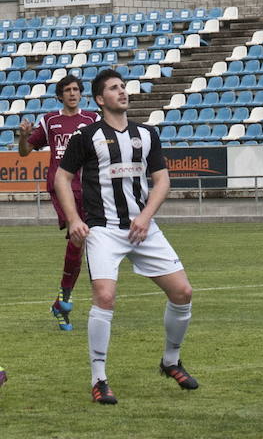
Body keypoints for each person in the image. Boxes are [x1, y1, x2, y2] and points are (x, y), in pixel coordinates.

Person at [55, 69, 198, 405]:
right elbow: (63, 179)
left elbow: (161, 180)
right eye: (114, 89)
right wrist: (74, 219)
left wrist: (146, 218)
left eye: (123, 87)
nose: (122, 92)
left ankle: (171, 361)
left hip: (142, 228)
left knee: (183, 292)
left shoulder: (147, 134)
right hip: (103, 229)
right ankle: (99, 379)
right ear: (100, 99)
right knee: (104, 296)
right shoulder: (85, 137)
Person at [18, 75, 100, 331]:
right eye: (68, 90)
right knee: (80, 236)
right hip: (62, 186)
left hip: (89, 187)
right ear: (60, 95)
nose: (73, 93)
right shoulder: (50, 120)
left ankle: (62, 302)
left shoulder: (92, 119)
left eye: (76, 89)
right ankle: (65, 300)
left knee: (88, 240)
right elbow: (24, 152)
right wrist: (24, 136)